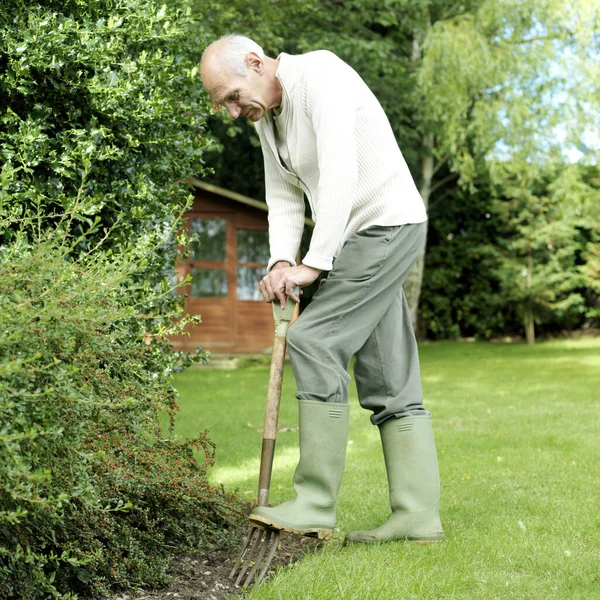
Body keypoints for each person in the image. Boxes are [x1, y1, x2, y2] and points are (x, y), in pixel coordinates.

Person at [200, 34, 443, 544]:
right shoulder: (268, 117)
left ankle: (314, 502)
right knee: (388, 377)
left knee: (314, 341)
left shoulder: (322, 77)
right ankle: (417, 517)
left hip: (385, 226)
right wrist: (282, 260)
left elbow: (339, 174)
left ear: (254, 62)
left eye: (229, 95)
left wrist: (313, 264)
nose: (229, 110)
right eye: (220, 102)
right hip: (363, 235)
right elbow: (284, 194)